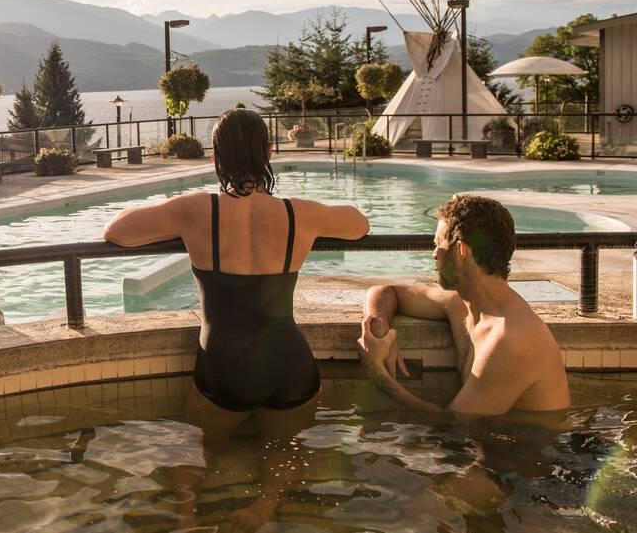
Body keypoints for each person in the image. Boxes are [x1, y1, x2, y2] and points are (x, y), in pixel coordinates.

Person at [104, 109, 369, 527]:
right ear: (268, 152)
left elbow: (117, 231)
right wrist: (316, 212)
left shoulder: (194, 210)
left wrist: (175, 217)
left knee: (199, 447)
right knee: (284, 447)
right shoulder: (300, 213)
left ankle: (188, 515)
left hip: (224, 365)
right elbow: (359, 224)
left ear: (215, 158)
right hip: (289, 365)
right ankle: (263, 507)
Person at [358, 194, 570, 417]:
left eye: (439, 244)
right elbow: (385, 291)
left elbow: (454, 423)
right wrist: (380, 330)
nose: (434, 255)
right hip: (497, 443)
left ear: (460, 250)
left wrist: (377, 373)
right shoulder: (460, 303)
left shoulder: (510, 339)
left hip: (537, 449)